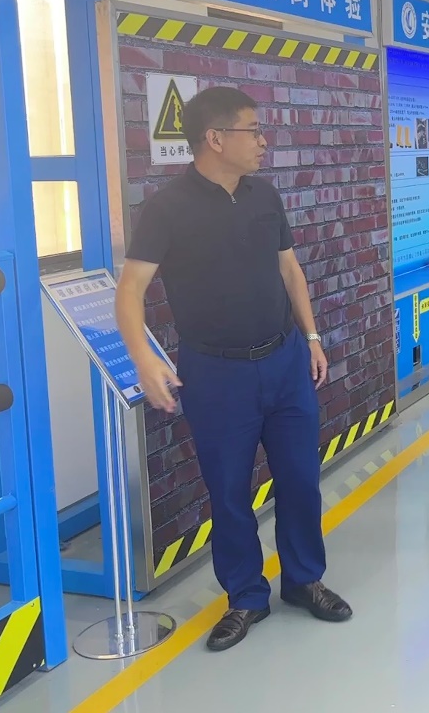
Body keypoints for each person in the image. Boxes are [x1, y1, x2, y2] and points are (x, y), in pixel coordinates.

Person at [115, 86, 351, 653]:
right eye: (254, 130)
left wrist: (312, 338)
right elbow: (130, 291)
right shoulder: (167, 208)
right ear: (216, 138)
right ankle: (245, 596)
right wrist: (143, 358)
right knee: (228, 492)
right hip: (216, 373)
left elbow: (290, 271)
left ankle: (304, 579)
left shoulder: (264, 195)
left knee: (300, 479)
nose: (264, 141)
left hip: (285, 359)